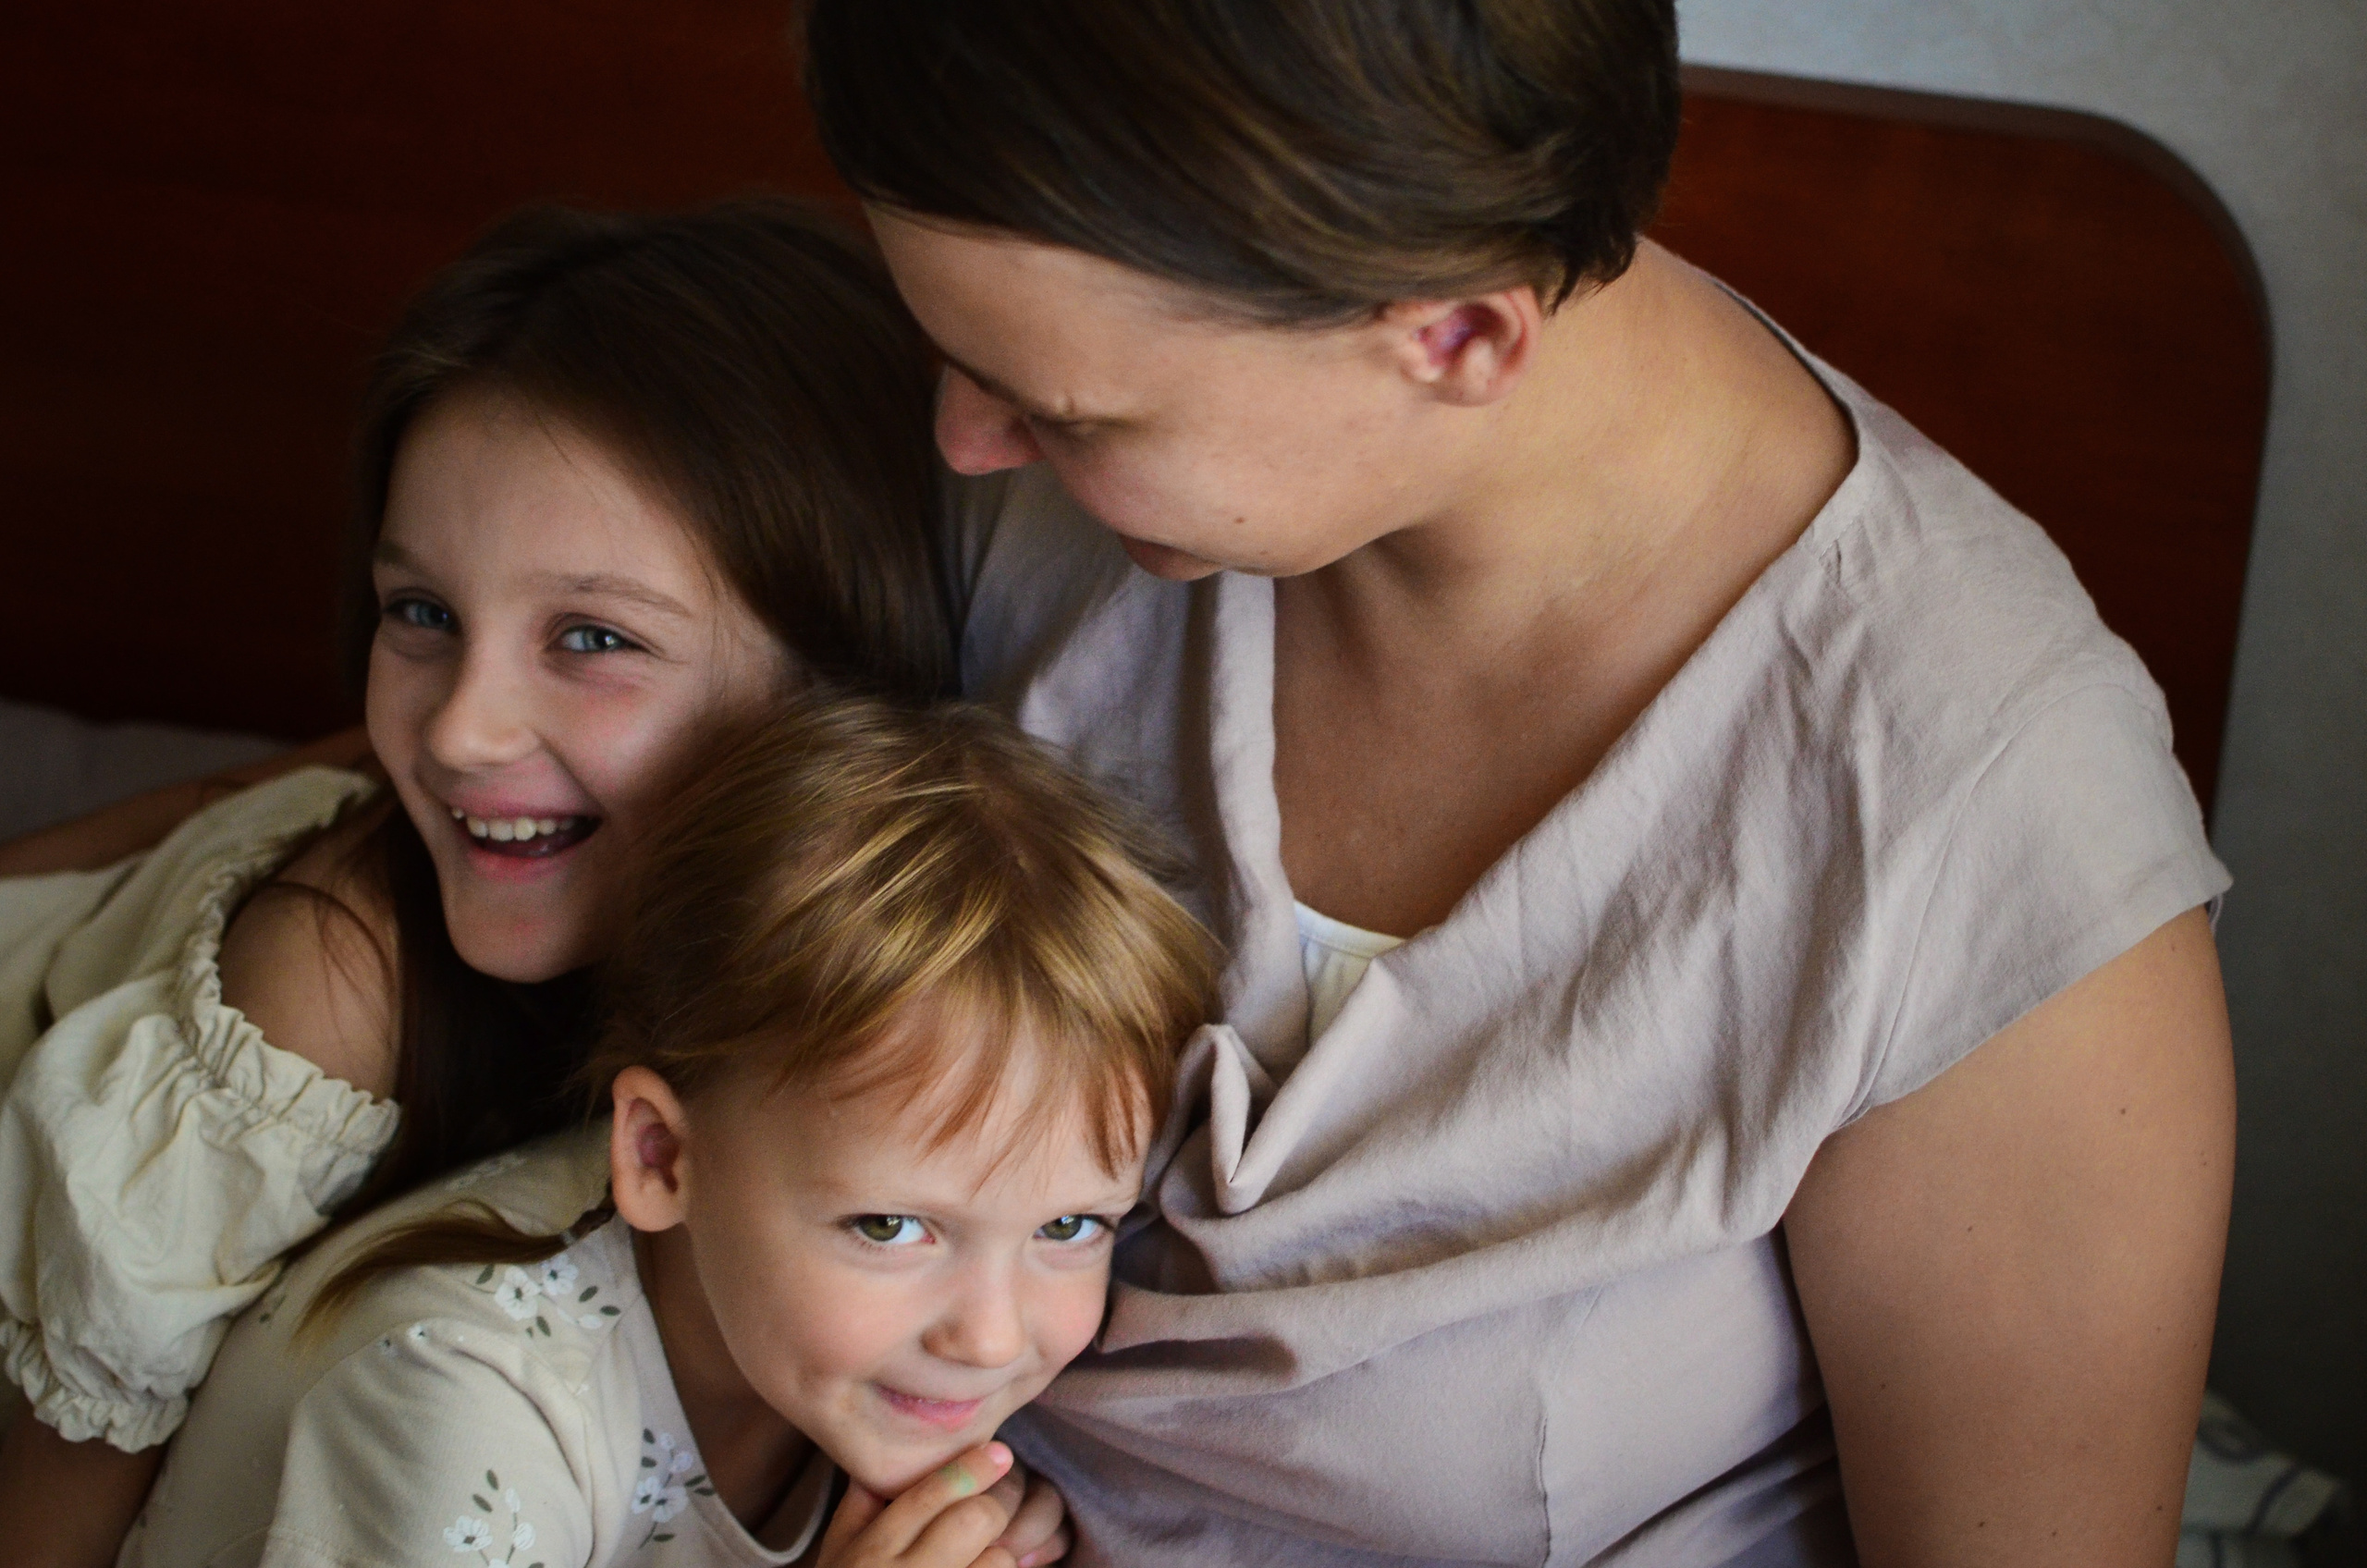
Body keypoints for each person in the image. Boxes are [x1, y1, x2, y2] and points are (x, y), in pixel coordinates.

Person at [799, 3, 2238, 1563]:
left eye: (1071, 412)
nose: (965, 446)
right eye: (961, 355)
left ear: (1460, 337)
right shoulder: (1053, 533)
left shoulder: (1978, 817)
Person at [0, 199, 958, 1564]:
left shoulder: (888, 939)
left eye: (590, 635)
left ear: (841, 686)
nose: (457, 732)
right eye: (422, 613)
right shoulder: (329, 987)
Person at [120, 696, 1216, 1568]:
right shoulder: (453, 1395)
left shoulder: (822, 1347)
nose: (989, 1335)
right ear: (659, 1156)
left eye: (1071, 1222)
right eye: (890, 1226)